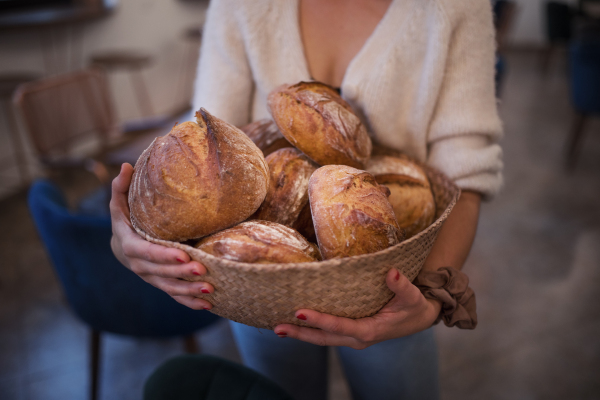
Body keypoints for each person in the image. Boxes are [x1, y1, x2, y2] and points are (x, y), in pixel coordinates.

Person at [110, 0, 503, 399]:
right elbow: (207, 146)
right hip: (262, 281)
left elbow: (464, 180)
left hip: (393, 285)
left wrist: (433, 296)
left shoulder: (455, 6)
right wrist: (132, 239)